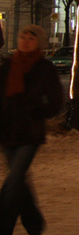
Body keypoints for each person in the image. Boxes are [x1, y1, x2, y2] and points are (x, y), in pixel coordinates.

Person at [0, 25, 64, 235]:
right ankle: (34, 223)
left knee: (14, 179)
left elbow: (56, 101)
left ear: (39, 43)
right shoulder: (8, 65)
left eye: (31, 38)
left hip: (29, 133)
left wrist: (37, 113)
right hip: (7, 131)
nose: (25, 41)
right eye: (22, 37)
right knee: (19, 182)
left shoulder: (45, 68)